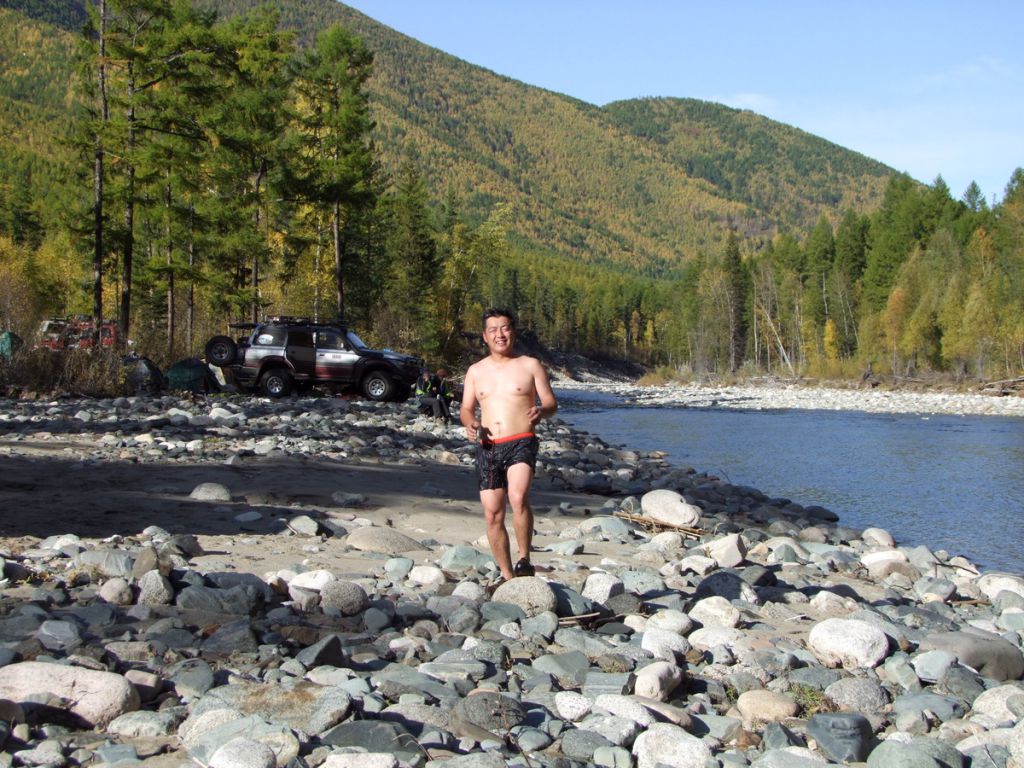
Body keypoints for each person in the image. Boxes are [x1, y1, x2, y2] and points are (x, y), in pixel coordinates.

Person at [460, 308, 557, 581]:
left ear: (513, 331)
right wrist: (470, 422)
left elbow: (551, 403)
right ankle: (507, 576)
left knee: (517, 496)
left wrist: (542, 411)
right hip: (489, 446)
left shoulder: (530, 365)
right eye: (493, 330)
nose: (499, 334)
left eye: (505, 328)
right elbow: (466, 409)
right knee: (493, 513)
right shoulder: (476, 371)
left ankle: (524, 558)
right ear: (485, 336)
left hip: (521, 441)